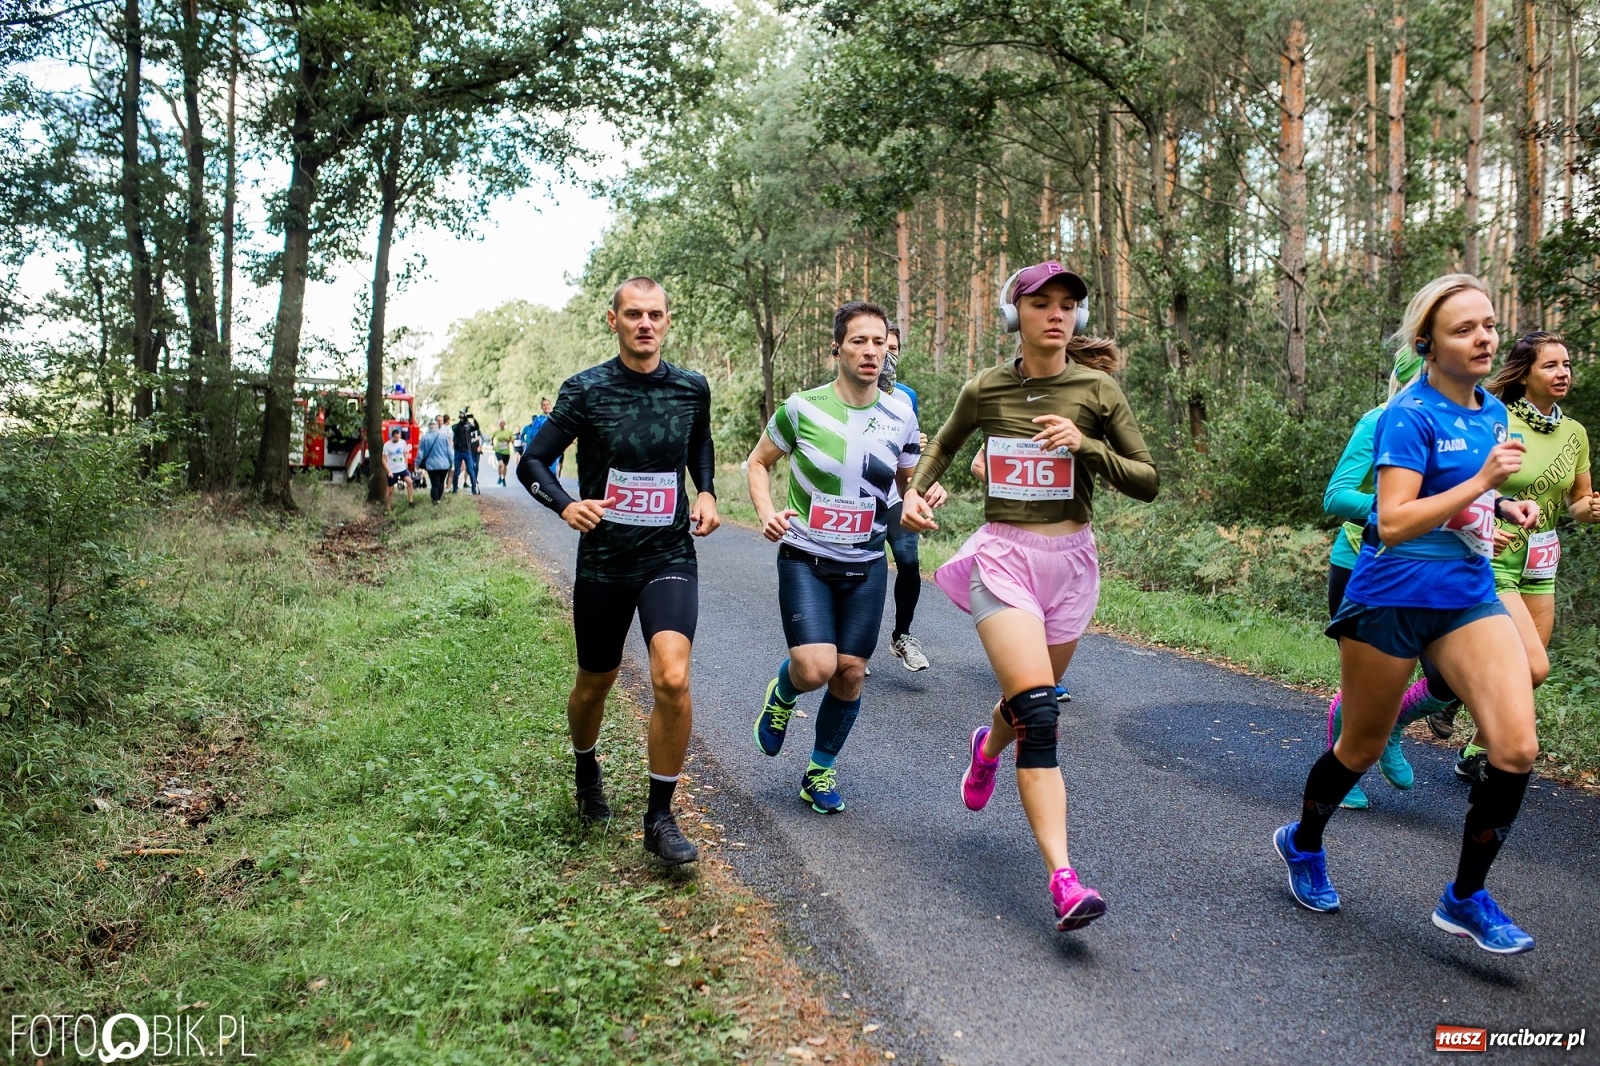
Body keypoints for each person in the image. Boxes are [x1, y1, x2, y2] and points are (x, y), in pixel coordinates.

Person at [1273, 274, 1543, 955]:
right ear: (1427, 343)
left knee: (1516, 748)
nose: (1484, 338)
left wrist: (1503, 504)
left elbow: (1461, 494)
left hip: (1467, 593)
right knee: (1361, 747)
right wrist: (1484, 481)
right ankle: (1303, 842)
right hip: (1391, 594)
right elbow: (1392, 521)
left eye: (1489, 325)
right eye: (1464, 329)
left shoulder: (1491, 411)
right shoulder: (1408, 414)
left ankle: (1466, 897)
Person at [900, 261, 1159, 932]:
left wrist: (1086, 446)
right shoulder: (986, 387)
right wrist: (913, 494)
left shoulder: (1096, 390)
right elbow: (943, 447)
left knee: (1026, 702)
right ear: (1016, 314)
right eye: (1042, 303)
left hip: (1071, 565)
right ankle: (1064, 881)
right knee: (1040, 714)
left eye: (1068, 303)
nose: (1057, 314)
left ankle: (987, 747)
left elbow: (1147, 479)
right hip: (1005, 558)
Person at [517, 276, 720, 866]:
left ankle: (660, 817)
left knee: (672, 678)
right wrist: (565, 505)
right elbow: (534, 460)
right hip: (605, 563)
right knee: (594, 683)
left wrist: (707, 490)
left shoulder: (691, 387)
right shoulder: (586, 390)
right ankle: (586, 770)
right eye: (633, 314)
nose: (645, 323)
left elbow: (699, 443)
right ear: (614, 321)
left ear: (668, 319)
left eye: (655, 314)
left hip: (667, 554)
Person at [748, 301, 922, 814]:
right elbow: (758, 463)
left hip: (867, 562)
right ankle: (783, 693)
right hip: (807, 555)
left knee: (850, 672)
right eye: (859, 341)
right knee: (816, 667)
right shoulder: (801, 408)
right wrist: (767, 513)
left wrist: (922, 496)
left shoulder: (901, 415)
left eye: (879, 343)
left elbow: (907, 481)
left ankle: (819, 772)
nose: (871, 352)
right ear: (837, 349)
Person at [1452, 331, 1595, 781]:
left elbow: (1576, 501)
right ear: (1524, 373)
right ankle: (1440, 693)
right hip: (1494, 555)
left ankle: (1474, 752)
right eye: (1550, 365)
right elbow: (1465, 483)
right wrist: (1480, 523)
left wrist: (1589, 509)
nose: (1563, 373)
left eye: (1566, 364)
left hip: (1542, 560)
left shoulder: (1574, 434)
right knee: (1532, 664)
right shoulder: (1497, 419)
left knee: (1529, 674)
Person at [1320, 352, 1458, 810]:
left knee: (1448, 679)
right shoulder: (1377, 422)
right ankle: (1342, 771)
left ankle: (1393, 725)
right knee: (1364, 685)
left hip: (1430, 570)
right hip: (1364, 565)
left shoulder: (1457, 431)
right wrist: (1398, 513)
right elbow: (1336, 496)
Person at [878, 324, 946, 671]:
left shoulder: (906, 397)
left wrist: (928, 482)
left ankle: (901, 636)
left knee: (908, 562)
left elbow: (912, 450)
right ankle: (853, 644)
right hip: (860, 499)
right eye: (881, 345)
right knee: (865, 569)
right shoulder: (842, 394)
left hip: (896, 496)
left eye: (893, 348)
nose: (886, 355)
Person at [419, 415, 454, 504]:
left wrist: (417, 463)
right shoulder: (443, 436)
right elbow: (449, 450)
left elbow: (420, 452)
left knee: (434, 483)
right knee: (441, 482)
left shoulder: (425, 438)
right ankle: (438, 498)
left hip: (431, 465)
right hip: (444, 465)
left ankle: (435, 500)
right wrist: (452, 461)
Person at [381, 426, 413, 510]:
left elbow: (405, 454)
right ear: (392, 436)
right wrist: (388, 471)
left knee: (409, 482)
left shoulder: (403, 442)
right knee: (390, 490)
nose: (397, 439)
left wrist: (406, 464)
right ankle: (388, 508)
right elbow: (383, 460)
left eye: (399, 437)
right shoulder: (387, 445)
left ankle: (410, 502)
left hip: (401, 468)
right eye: (396, 437)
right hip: (392, 470)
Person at [451, 410, 481, 495]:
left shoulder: (468, 426)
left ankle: (474, 489)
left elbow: (476, 427)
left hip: (467, 451)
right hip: (458, 451)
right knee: (456, 471)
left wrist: (472, 418)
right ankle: (454, 489)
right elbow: (456, 429)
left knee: (471, 470)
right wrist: (462, 421)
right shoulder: (456, 426)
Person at [491, 420, 516, 486]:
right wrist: (492, 445)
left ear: (505, 424)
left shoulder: (509, 432)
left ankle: (503, 479)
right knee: (501, 464)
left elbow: (512, 440)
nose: (501, 425)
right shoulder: (496, 432)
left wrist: (509, 440)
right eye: (500, 424)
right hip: (498, 450)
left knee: (504, 466)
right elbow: (492, 438)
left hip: (506, 452)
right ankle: (500, 477)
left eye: (502, 423)